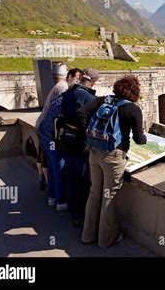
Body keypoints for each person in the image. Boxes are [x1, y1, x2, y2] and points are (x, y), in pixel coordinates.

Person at [78, 75, 146, 248]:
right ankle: (105, 239)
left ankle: (87, 235)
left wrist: (89, 135)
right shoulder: (132, 109)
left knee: (94, 193)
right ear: (134, 92)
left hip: (94, 152)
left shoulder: (103, 100)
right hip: (113, 157)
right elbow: (139, 139)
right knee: (108, 197)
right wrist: (144, 137)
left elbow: (81, 113)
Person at [57, 68, 100, 227]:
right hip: (80, 145)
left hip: (65, 141)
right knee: (83, 180)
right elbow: (90, 124)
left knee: (70, 175)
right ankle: (78, 216)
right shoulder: (89, 98)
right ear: (93, 82)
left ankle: (70, 207)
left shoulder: (68, 93)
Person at [35, 65, 82, 198]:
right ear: (70, 77)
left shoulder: (61, 85)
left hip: (44, 126)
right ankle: (56, 196)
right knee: (53, 164)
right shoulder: (64, 88)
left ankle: (50, 193)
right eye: (77, 78)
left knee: (47, 160)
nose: (78, 81)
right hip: (48, 129)